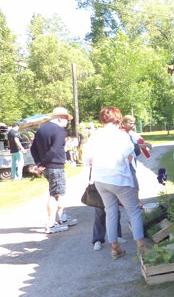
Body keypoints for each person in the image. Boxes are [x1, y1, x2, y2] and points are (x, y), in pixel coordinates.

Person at [83, 107, 146, 259]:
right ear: (118, 118)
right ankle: (142, 249)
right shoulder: (121, 136)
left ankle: (115, 248)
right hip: (120, 179)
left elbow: (87, 159)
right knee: (134, 211)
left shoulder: (94, 136)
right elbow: (130, 156)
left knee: (110, 212)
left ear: (102, 119)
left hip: (101, 180)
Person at [30, 107, 78, 234]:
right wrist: (41, 164)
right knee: (55, 195)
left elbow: (33, 148)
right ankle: (51, 224)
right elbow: (55, 150)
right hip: (55, 166)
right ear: (60, 117)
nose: (67, 122)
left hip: (46, 166)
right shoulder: (60, 131)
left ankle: (62, 218)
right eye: (67, 119)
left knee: (59, 192)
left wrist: (38, 163)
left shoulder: (41, 129)